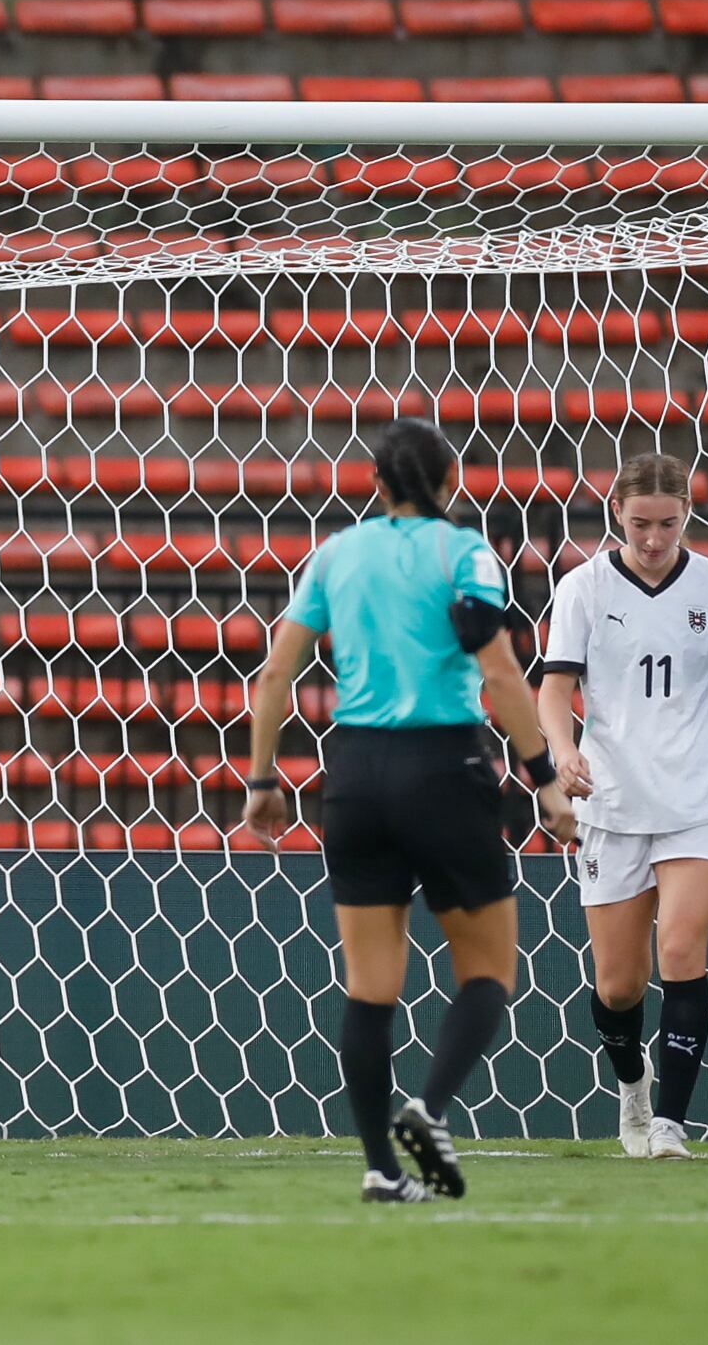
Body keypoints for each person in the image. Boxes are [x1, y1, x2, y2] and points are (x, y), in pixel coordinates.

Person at [242, 417, 570, 1203]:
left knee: (369, 984)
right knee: (488, 970)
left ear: (376, 484)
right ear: (449, 481)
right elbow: (497, 668)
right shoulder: (464, 553)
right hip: (444, 768)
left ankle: (380, 1170)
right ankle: (426, 1111)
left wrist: (260, 779)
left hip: (351, 777)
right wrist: (543, 777)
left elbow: (277, 670)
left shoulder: (337, 553)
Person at [535, 453, 708, 1161]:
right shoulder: (583, 588)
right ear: (615, 518)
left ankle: (670, 1125)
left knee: (683, 947)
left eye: (667, 522)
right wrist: (562, 751)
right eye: (639, 524)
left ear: (686, 516)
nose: (654, 538)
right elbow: (552, 686)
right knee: (618, 984)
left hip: (699, 793)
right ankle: (633, 1087)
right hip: (612, 797)